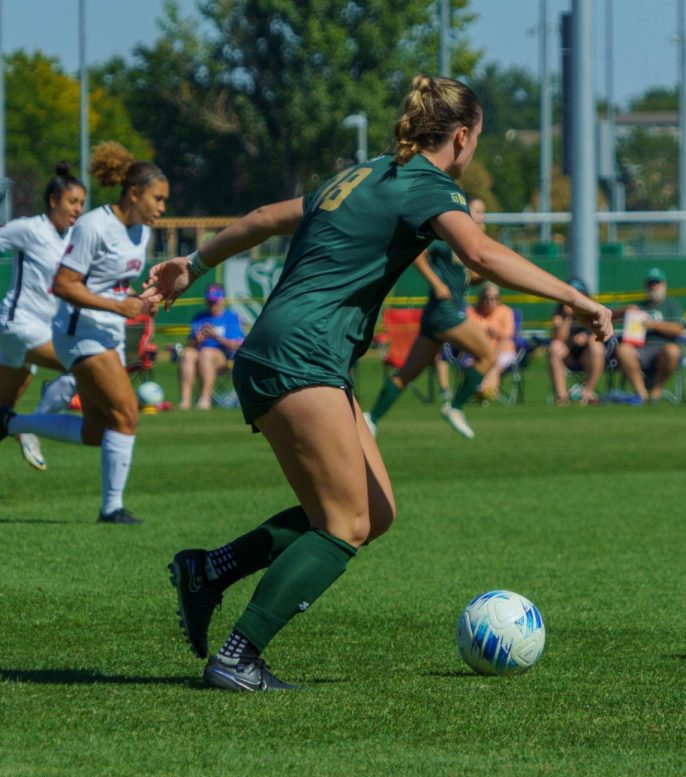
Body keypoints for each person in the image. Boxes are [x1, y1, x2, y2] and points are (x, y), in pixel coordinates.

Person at [145, 74, 611, 691]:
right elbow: (482, 256)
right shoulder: (427, 185)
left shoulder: (358, 175)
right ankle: (238, 655)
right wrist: (576, 297)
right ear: (463, 137)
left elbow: (262, 217)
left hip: (293, 353)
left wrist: (193, 263)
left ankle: (210, 570)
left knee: (376, 512)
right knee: (344, 526)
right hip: (301, 356)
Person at [1, 143, 166, 523]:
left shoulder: (142, 233)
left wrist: (144, 299)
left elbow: (116, 286)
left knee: (97, 431)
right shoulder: (93, 225)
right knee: (126, 413)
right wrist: (117, 306)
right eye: (158, 198)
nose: (162, 208)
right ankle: (112, 509)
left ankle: (13, 423)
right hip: (73, 331)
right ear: (135, 192)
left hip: (103, 331)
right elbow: (64, 284)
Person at [364, 195, 491, 439]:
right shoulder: (445, 235)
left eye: (483, 212)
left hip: (435, 315)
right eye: (478, 210)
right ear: (464, 211)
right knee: (488, 353)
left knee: (406, 375)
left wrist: (486, 273)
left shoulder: (465, 243)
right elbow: (415, 254)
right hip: (445, 311)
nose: (482, 216)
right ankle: (454, 407)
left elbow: (470, 278)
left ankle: (372, 418)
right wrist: (435, 283)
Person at [0, 163, 86, 471]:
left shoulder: (73, 239)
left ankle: (23, 425)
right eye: (72, 201)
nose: (77, 209)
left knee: (3, 412)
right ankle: (32, 429)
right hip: (19, 325)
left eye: (81, 204)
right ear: (53, 200)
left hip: (37, 332)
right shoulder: (29, 229)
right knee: (85, 365)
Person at [614, 268, 686, 403]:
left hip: (662, 348)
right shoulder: (638, 306)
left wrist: (654, 325)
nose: (654, 286)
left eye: (657, 283)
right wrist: (625, 310)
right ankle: (641, 393)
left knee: (673, 350)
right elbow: (611, 316)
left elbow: (678, 329)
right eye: (650, 283)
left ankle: (656, 391)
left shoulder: (672, 305)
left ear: (664, 285)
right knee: (623, 349)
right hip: (639, 348)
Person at [178, 284, 243, 410]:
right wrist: (197, 339)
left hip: (224, 358)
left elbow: (236, 345)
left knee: (206, 352)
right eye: (209, 300)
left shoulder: (232, 317)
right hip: (199, 357)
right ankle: (185, 401)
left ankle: (205, 399)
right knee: (187, 354)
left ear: (222, 300)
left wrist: (216, 337)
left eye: (215, 300)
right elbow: (190, 345)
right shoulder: (199, 317)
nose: (212, 304)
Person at [548, 278, 606, 406]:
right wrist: (567, 317)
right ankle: (562, 396)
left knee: (597, 346)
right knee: (555, 346)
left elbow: (600, 333)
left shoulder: (592, 310)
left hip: (587, 354)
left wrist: (586, 336)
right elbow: (558, 338)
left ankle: (588, 393)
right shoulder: (559, 314)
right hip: (567, 354)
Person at [466, 282, 516, 399]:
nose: (490, 301)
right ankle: (484, 391)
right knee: (476, 363)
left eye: (494, 298)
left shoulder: (506, 312)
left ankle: (484, 391)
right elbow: (468, 332)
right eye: (486, 298)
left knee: (494, 363)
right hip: (476, 351)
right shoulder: (471, 312)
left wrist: (493, 354)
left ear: (499, 299)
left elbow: (507, 336)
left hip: (503, 351)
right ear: (480, 298)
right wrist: (486, 330)